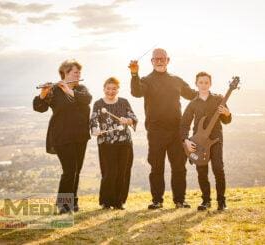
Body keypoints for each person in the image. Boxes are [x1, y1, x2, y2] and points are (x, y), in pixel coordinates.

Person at [129, 48, 197, 209]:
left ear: (168, 60)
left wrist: (213, 96)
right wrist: (134, 74)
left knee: (179, 167)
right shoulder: (145, 80)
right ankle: (157, 201)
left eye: (162, 58)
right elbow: (136, 92)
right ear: (151, 61)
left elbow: (193, 95)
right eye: (156, 59)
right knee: (156, 167)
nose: (159, 61)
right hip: (156, 132)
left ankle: (180, 200)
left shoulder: (176, 80)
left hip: (176, 131)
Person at [33, 59, 92, 214]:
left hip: (80, 136)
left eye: (79, 72)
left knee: (77, 170)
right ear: (65, 73)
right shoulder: (54, 91)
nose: (78, 75)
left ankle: (73, 202)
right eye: (75, 72)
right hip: (62, 136)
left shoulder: (81, 89)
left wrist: (69, 90)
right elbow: (39, 108)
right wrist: (43, 94)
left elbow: (87, 100)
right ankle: (63, 205)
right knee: (69, 170)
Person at [180, 71, 232, 211]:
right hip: (198, 142)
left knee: (218, 169)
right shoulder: (192, 104)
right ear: (196, 84)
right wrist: (186, 141)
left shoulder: (218, 99)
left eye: (206, 82)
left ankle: (221, 202)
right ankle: (206, 201)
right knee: (201, 171)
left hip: (215, 140)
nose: (203, 85)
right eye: (201, 82)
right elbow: (184, 124)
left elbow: (226, 120)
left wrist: (227, 114)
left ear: (210, 84)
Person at [90, 77, 137, 210]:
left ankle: (119, 201)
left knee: (123, 171)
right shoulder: (99, 104)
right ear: (104, 89)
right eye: (108, 88)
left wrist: (128, 120)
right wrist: (95, 128)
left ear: (118, 89)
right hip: (106, 143)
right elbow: (94, 119)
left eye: (114, 88)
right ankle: (106, 201)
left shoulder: (124, 102)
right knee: (109, 171)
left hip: (124, 142)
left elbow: (133, 117)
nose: (111, 91)